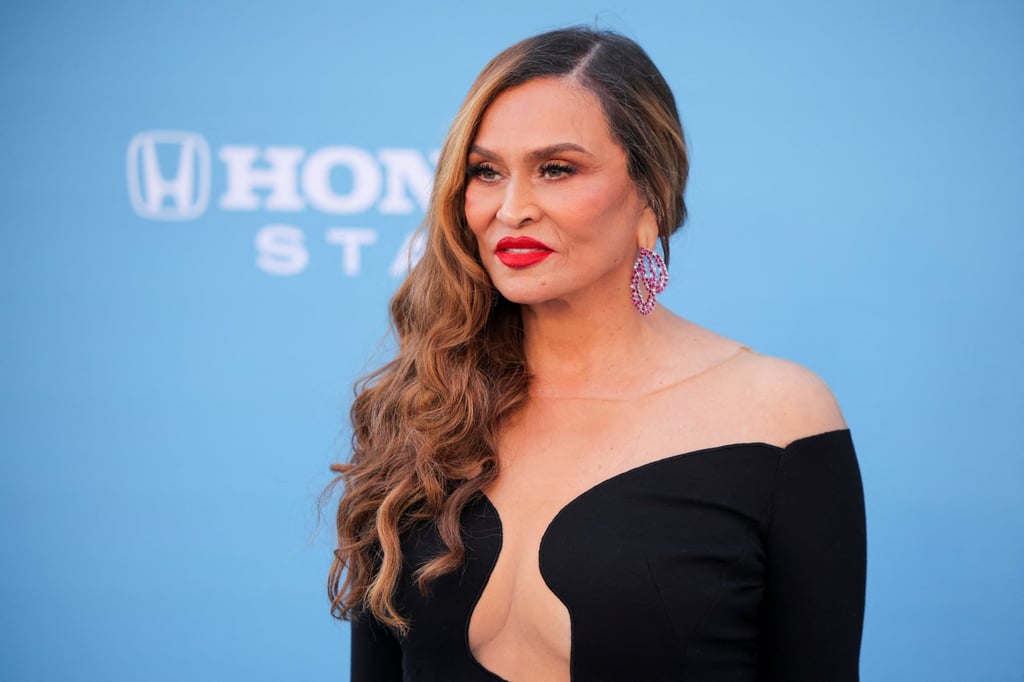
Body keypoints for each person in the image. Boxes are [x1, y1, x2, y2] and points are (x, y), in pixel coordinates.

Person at [328, 26, 866, 682]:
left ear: (651, 193)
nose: (512, 208)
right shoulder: (420, 408)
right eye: (485, 172)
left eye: (556, 168)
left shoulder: (779, 415)